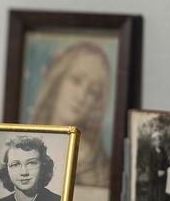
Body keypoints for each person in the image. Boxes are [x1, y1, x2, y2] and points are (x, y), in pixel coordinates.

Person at [31, 42, 111, 187]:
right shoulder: (23, 147)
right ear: (58, 81)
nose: (82, 96)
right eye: (76, 80)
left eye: (93, 91)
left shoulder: (101, 170)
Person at [148, 131, 168, 201]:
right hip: (154, 173)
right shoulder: (151, 151)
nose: (158, 142)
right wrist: (157, 171)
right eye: (156, 140)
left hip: (162, 174)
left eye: (159, 140)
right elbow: (150, 164)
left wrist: (163, 171)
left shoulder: (163, 151)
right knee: (154, 189)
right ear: (154, 142)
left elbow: (166, 162)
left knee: (161, 189)